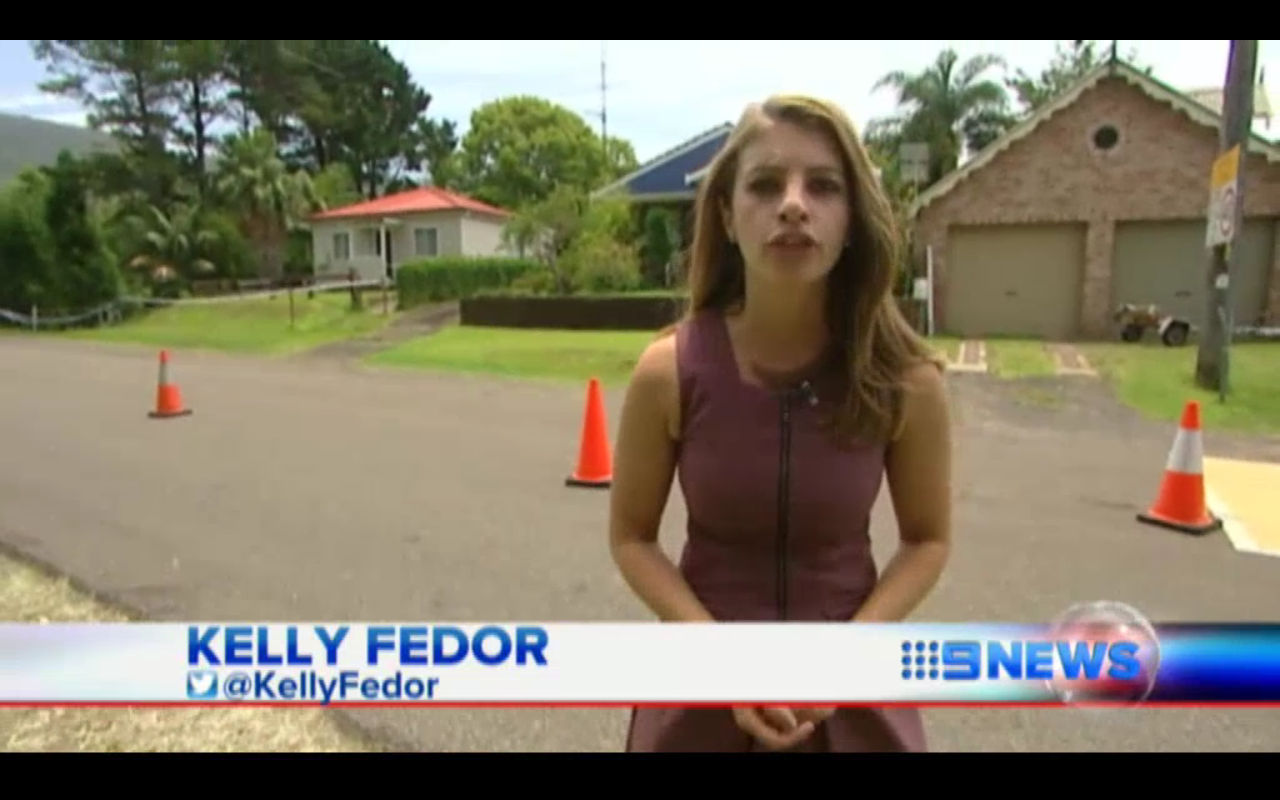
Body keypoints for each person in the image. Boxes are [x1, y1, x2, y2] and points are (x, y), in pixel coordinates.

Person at [606, 94, 953, 753]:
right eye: (765, 185)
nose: (794, 204)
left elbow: (927, 541)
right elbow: (631, 538)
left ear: (852, 218)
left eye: (823, 186)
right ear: (727, 215)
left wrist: (849, 659)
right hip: (697, 702)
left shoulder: (907, 380)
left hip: (851, 706)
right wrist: (719, 662)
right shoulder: (667, 372)